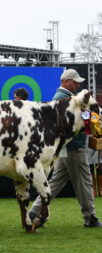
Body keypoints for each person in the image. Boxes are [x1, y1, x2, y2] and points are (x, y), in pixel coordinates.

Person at [29, 68, 102, 228]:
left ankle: (34, 210)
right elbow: (70, 124)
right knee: (84, 182)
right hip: (73, 147)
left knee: (55, 182)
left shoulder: (64, 97)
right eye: (74, 82)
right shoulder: (64, 98)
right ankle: (90, 218)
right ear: (66, 81)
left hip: (67, 147)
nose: (76, 85)